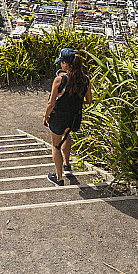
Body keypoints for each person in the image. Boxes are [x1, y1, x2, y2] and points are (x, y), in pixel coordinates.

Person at [43, 47, 92, 186]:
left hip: (59, 118)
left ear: (65, 64)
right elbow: (88, 101)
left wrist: (46, 117)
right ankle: (67, 165)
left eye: (61, 62)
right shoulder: (85, 80)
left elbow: (51, 103)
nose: (60, 64)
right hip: (74, 118)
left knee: (55, 145)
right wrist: (74, 100)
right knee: (66, 135)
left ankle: (59, 179)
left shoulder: (60, 80)